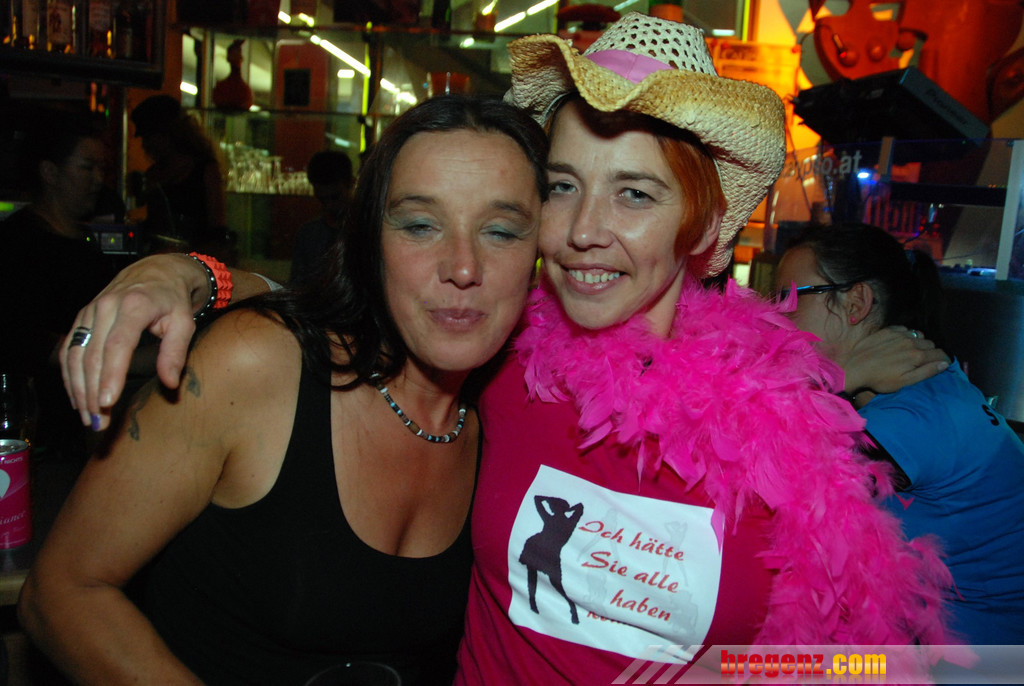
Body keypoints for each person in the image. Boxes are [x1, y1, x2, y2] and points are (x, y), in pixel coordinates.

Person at [55, 15, 956, 681]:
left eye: (636, 194)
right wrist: (192, 275)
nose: (585, 231)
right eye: (562, 187)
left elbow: (872, 659)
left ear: (706, 223)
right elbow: (358, 303)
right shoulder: (507, 356)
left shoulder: (791, 435)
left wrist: (739, 675)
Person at [18, 94, 549, 685]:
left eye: (501, 231)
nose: (463, 267)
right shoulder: (257, 364)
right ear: (370, 240)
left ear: (541, 253)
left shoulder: (520, 410)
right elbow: (60, 592)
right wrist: (193, 271)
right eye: (420, 225)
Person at [774, 221, 1024, 644]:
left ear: (855, 302)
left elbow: (772, 488)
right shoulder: (924, 381)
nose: (775, 316)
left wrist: (842, 375)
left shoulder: (910, 415)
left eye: (789, 298)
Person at [0, 109, 124, 456]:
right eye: (87, 167)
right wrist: (134, 356)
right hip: (40, 430)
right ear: (50, 172)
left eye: (102, 168)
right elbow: (24, 339)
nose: (98, 179)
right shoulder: (17, 242)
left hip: (82, 423)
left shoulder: (84, 241)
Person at [129, 94, 230, 259]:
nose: (145, 145)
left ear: (166, 133)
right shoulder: (154, 173)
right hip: (162, 260)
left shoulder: (205, 170)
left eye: (148, 137)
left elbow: (217, 230)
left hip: (197, 260)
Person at [290, 149, 355, 286]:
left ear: (351, 183)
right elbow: (297, 286)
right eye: (322, 200)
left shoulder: (368, 230)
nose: (329, 206)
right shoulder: (307, 235)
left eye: (335, 197)